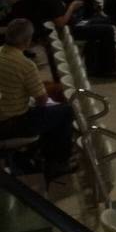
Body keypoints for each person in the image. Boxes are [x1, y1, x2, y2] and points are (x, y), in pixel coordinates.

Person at [0, 19, 76, 177]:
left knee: (48, 113)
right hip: (11, 123)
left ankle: (41, 153)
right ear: (27, 41)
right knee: (66, 111)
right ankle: (58, 163)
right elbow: (42, 100)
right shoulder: (25, 65)